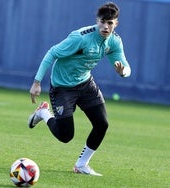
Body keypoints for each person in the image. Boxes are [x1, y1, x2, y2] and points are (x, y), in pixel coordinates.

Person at [28, 2, 131, 176]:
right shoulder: (81, 37)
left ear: (116, 24)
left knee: (102, 124)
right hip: (62, 87)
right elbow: (52, 53)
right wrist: (37, 82)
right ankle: (43, 113)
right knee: (66, 136)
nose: (106, 27)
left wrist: (123, 72)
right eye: (103, 22)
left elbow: (126, 66)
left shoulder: (114, 41)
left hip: (85, 84)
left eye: (110, 23)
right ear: (97, 20)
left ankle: (82, 164)